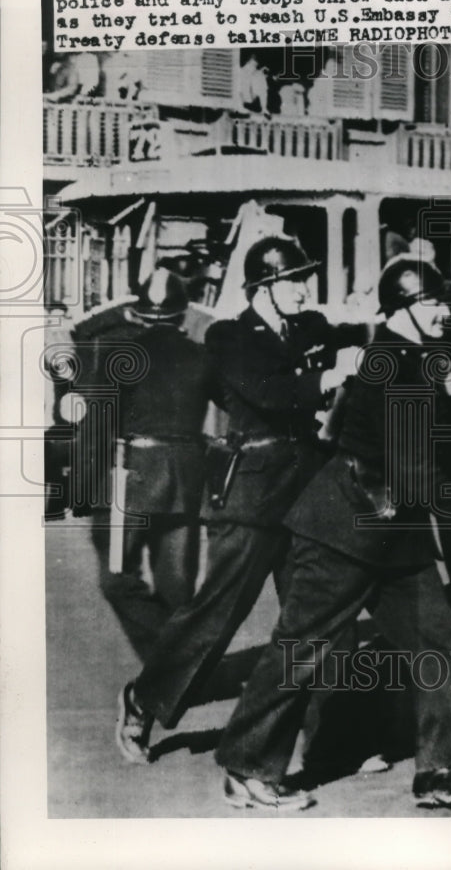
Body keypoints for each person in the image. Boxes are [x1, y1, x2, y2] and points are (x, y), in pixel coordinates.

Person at [212, 258, 451, 811]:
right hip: (344, 526)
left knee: (436, 638)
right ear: (402, 309)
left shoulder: (419, 359)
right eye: (432, 303)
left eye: (442, 301)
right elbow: (413, 462)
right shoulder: (391, 362)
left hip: (395, 532)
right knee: (302, 646)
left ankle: (441, 769)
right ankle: (246, 767)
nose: (445, 312)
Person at [115, 237, 359, 763]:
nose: (304, 289)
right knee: (215, 617)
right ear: (263, 289)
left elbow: (351, 346)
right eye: (293, 280)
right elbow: (269, 392)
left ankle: (321, 735)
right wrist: (327, 376)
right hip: (252, 494)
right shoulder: (229, 337)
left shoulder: (313, 327)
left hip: (309, 495)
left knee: (317, 620)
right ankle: (143, 700)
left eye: (305, 279)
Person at [73, 269, 214, 658]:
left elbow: (98, 427)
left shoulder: (121, 357)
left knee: (117, 580)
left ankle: (171, 664)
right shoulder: (202, 358)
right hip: (185, 481)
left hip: (129, 481)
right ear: (181, 314)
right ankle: (177, 665)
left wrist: (82, 487)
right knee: (178, 588)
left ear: (136, 314)